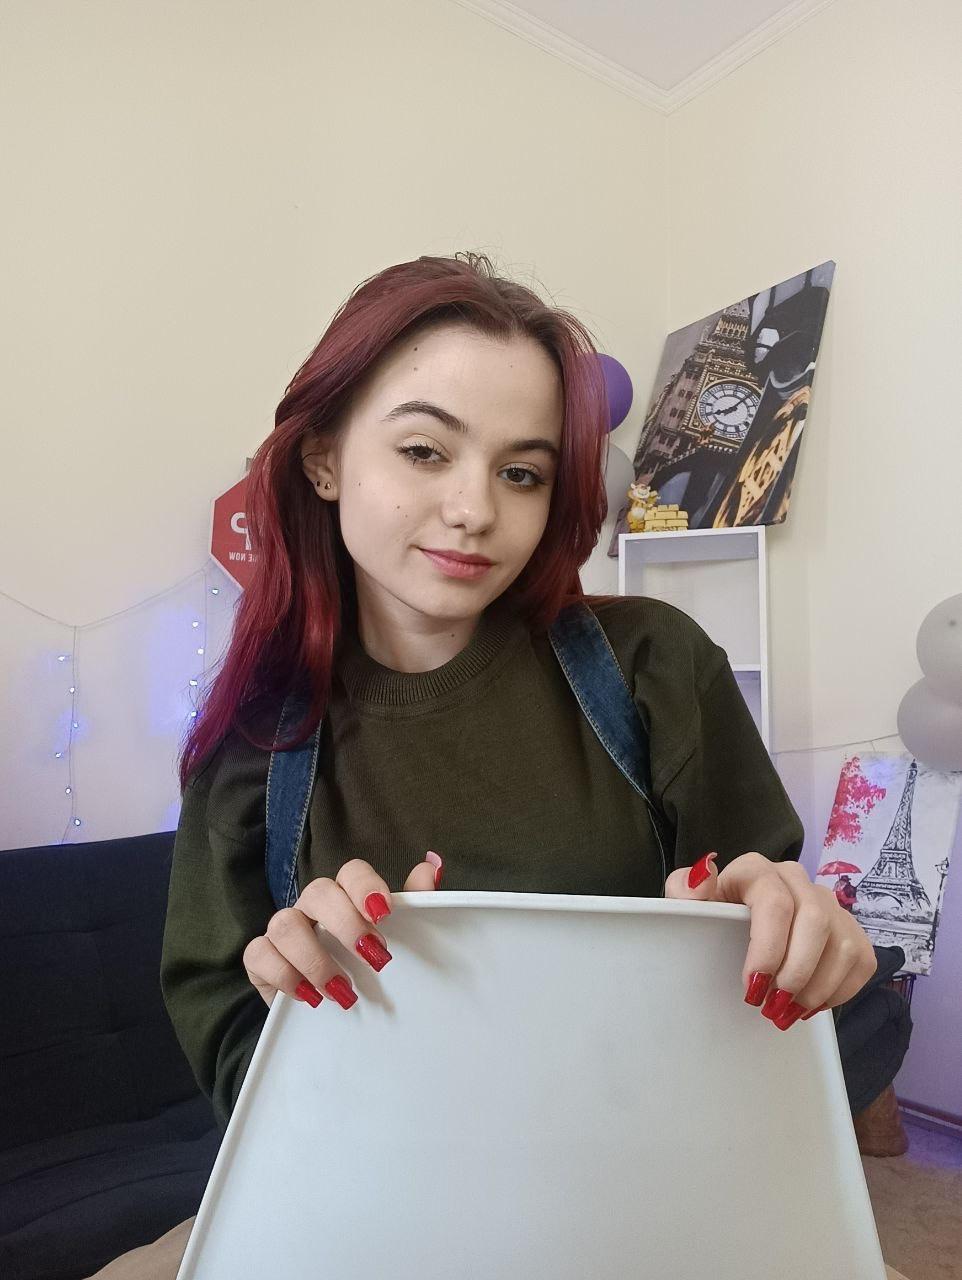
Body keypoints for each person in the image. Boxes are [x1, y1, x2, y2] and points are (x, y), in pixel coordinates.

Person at [87, 251, 877, 1278]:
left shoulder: (651, 664)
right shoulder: (255, 746)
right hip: (371, 1213)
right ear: (323, 459)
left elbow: (766, 963)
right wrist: (311, 1012)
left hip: (647, 1201)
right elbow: (237, 1064)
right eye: (424, 450)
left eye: (521, 472)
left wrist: (787, 928)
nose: (474, 509)